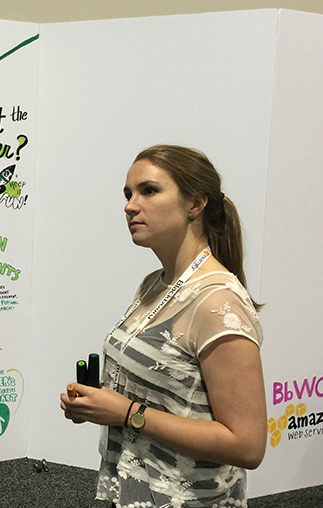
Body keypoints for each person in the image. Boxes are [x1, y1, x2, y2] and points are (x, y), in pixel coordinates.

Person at [61, 145, 266, 508]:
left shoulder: (217, 302)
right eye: (128, 194)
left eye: (148, 191)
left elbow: (247, 445)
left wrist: (126, 413)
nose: (130, 205)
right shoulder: (155, 284)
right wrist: (97, 402)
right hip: (132, 493)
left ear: (195, 204)